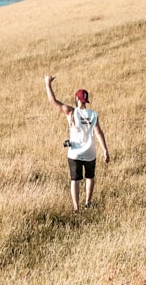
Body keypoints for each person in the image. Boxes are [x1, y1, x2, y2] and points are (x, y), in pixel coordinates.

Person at [44, 74, 110, 213]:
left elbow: (53, 101)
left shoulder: (71, 112)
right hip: (90, 152)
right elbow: (99, 133)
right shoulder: (93, 114)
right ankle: (88, 203)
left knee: (75, 179)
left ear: (76, 99)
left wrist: (48, 84)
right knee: (90, 177)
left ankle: (76, 208)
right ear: (86, 101)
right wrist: (105, 150)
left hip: (74, 152)